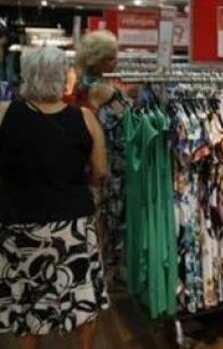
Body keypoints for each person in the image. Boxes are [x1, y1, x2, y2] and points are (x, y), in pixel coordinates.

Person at [0, 46, 110, 349]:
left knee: (26, 300)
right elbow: (100, 171)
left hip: (19, 224)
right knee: (81, 296)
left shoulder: (5, 113)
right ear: (62, 77)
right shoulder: (85, 118)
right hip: (71, 226)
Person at [72, 30, 132, 272]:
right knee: (106, 221)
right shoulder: (97, 89)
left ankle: (106, 268)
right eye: (109, 58)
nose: (114, 62)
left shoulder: (90, 84)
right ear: (96, 60)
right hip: (107, 163)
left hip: (106, 162)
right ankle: (105, 270)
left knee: (105, 220)